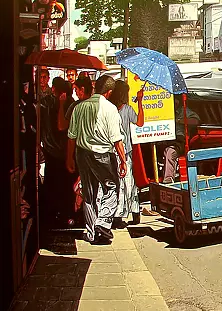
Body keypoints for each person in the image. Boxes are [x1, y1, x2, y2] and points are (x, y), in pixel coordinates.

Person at [66, 75, 127, 244]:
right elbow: (116, 139)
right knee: (112, 187)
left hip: (82, 154)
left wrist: (69, 159)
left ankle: (91, 232)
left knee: (88, 192)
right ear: (109, 92)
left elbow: (71, 136)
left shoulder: (79, 107)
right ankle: (103, 222)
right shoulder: (110, 109)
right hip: (103, 155)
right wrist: (122, 161)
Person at [39, 77, 76, 227]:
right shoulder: (65, 103)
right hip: (64, 151)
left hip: (53, 150)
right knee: (65, 185)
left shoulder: (52, 103)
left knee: (54, 183)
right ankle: (64, 213)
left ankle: (54, 213)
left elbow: (60, 126)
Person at [109, 80, 144, 227]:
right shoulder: (127, 109)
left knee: (117, 184)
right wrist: (140, 102)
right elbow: (140, 122)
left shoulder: (109, 109)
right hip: (126, 151)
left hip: (112, 151)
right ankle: (134, 211)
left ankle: (118, 214)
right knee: (129, 182)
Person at [163, 97, 200, 184]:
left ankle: (168, 179)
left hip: (179, 140)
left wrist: (179, 121)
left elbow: (196, 121)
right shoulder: (163, 110)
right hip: (164, 138)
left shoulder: (183, 110)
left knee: (170, 152)